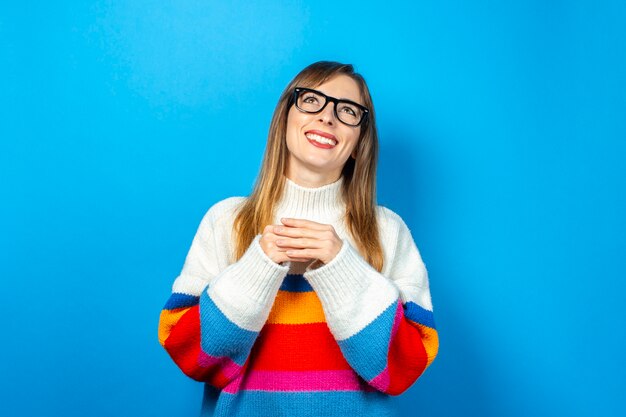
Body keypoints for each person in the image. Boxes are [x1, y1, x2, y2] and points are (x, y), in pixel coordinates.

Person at [158, 61, 439, 416]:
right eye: (312, 101)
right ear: (285, 119)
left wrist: (342, 267)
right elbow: (191, 356)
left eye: (347, 110)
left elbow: (403, 369)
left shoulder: (387, 231)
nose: (327, 117)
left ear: (358, 143)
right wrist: (257, 268)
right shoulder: (227, 221)